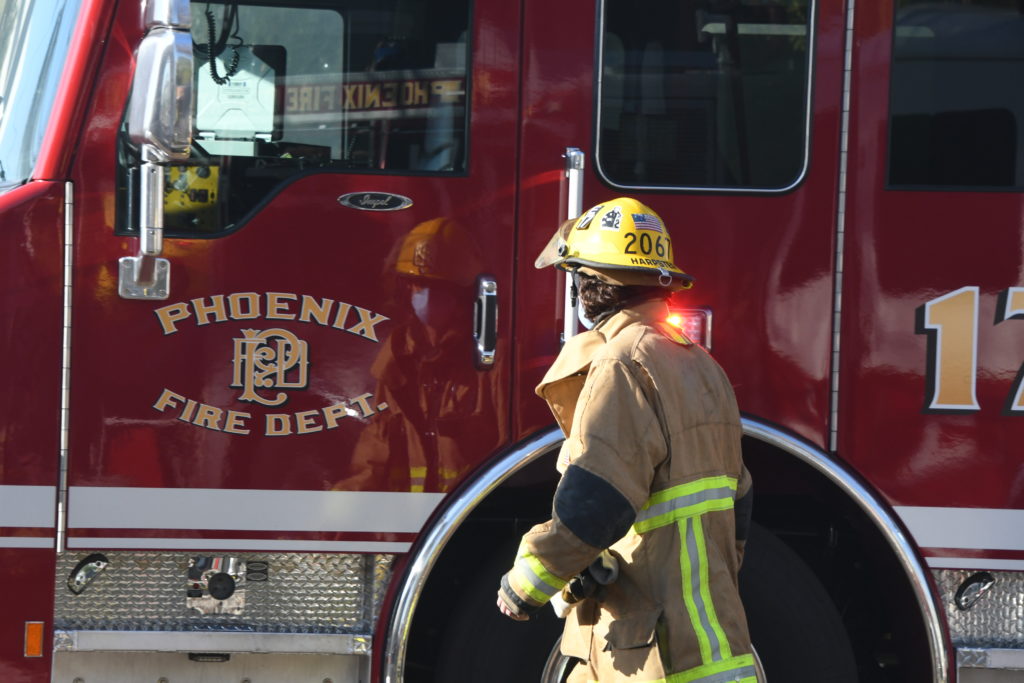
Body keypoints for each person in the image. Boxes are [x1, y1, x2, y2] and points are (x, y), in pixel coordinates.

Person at [496, 198, 756, 682]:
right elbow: (737, 500)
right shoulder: (701, 364)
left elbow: (598, 501)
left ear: (592, 285)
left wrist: (526, 582)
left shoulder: (621, 363)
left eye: (576, 278)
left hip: (653, 647)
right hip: (714, 642)